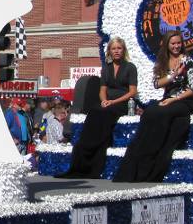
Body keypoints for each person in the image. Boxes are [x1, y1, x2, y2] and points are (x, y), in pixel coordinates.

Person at [113, 31, 193, 183]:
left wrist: (173, 100)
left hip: (184, 101)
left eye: (179, 43)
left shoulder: (188, 61)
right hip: (167, 99)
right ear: (167, 45)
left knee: (162, 112)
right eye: (173, 43)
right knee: (151, 111)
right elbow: (156, 83)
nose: (176, 46)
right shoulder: (163, 62)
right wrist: (173, 75)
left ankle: (154, 164)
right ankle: (138, 163)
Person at [59, 37, 138, 178]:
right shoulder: (106, 68)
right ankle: (83, 154)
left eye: (119, 48)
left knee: (105, 115)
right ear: (110, 51)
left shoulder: (130, 67)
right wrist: (104, 100)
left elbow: (132, 92)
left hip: (122, 103)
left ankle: (95, 161)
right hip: (107, 102)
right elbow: (102, 90)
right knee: (95, 111)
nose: (117, 51)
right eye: (114, 49)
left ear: (123, 50)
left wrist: (113, 102)